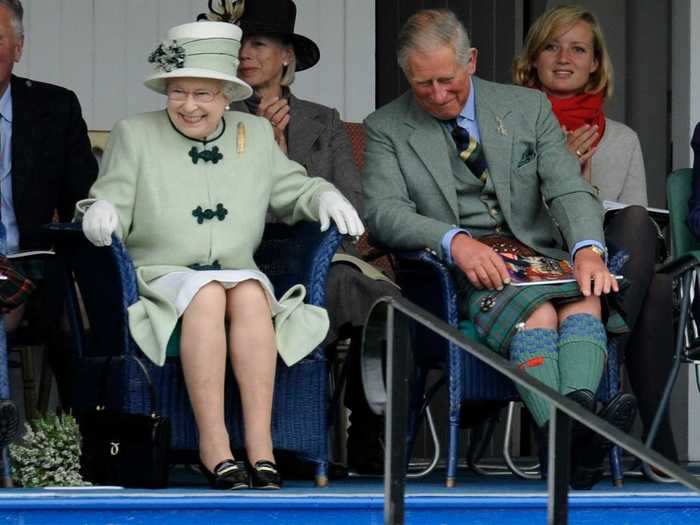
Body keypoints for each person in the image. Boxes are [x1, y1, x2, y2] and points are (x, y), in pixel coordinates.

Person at [78, 20, 363, 490]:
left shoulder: (252, 133)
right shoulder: (135, 133)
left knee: (250, 292)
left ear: (226, 95)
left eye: (203, 94)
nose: (189, 105)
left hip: (237, 274)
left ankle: (261, 449)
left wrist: (324, 197)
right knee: (208, 293)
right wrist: (101, 208)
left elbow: (294, 189)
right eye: (178, 93)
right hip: (161, 277)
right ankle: (215, 447)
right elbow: (109, 196)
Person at [362, 8, 637, 489]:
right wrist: (454, 241)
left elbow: (567, 187)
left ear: (470, 60)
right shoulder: (386, 126)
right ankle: (579, 441)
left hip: (540, 256)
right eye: (422, 84)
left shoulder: (526, 107)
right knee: (541, 316)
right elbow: (383, 212)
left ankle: (564, 442)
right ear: (406, 73)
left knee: (586, 298)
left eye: (447, 80)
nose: (438, 95)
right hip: (462, 270)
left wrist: (588, 248)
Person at [222, 0, 400, 474]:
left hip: (320, 256)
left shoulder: (324, 119)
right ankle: (292, 437)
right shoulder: (216, 113)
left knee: (380, 296)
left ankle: (366, 430)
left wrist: (288, 159)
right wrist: (266, 153)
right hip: (251, 256)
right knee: (334, 289)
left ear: (286, 57)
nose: (245, 54)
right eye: (239, 44)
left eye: (258, 44)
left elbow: (352, 202)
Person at [512, 4, 678, 464]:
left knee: (640, 234)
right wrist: (561, 174)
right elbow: (509, 219)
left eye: (578, 48)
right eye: (551, 46)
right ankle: (659, 450)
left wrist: (588, 192)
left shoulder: (621, 139)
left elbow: (634, 222)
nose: (564, 57)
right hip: (540, 262)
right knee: (656, 292)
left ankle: (611, 349)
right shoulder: (511, 127)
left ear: (595, 64)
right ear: (533, 59)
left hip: (608, 270)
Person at [0, 0, 97, 407]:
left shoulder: (53, 108)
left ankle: (81, 441)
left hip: (29, 267)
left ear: (19, 48)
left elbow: (84, 200)